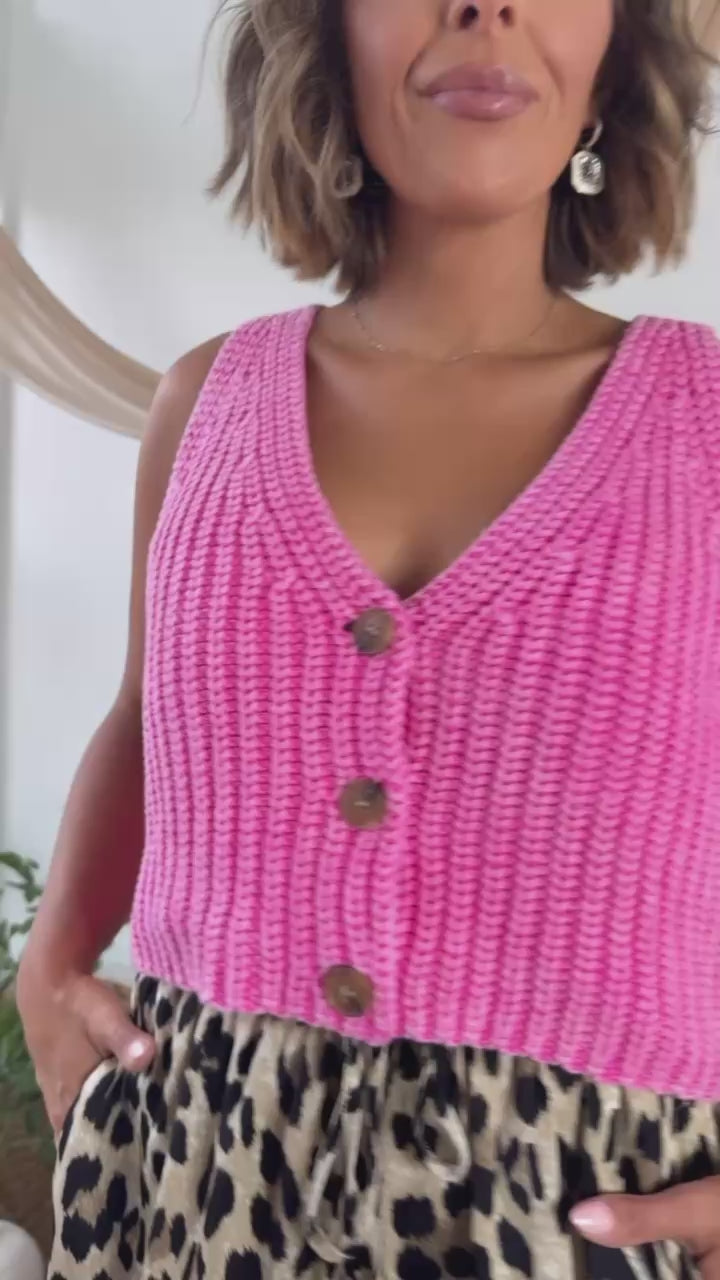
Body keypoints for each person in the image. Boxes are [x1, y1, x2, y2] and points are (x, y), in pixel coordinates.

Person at [18, 0, 720, 1276]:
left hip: (571, 1207)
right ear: (328, 38)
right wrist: (53, 955)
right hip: (198, 1174)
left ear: (616, 55)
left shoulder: (706, 427)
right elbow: (141, 715)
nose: (485, 7)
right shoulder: (205, 402)